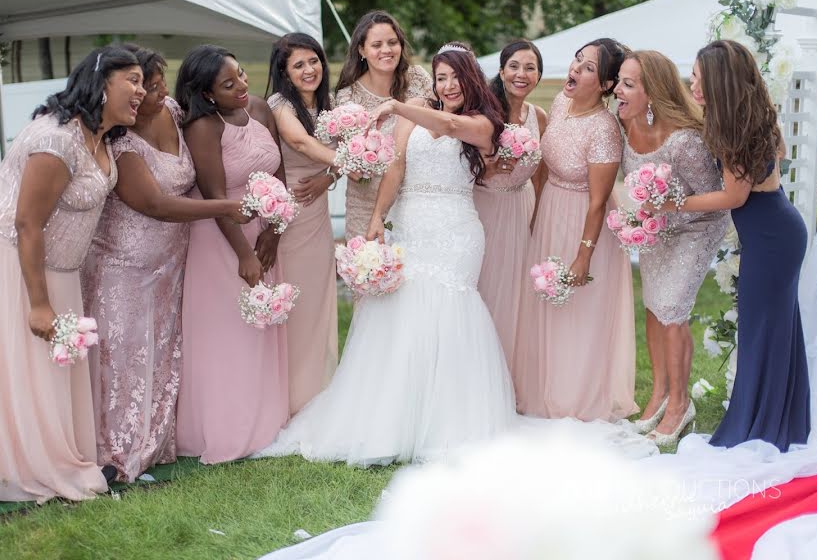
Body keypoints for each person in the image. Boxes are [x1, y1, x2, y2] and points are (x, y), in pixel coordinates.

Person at [257, 42, 518, 466]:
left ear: (470, 77)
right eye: (440, 76)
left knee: (451, 313)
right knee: (401, 315)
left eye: (455, 76)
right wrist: (378, 215)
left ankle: (448, 422)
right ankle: (391, 419)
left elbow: (451, 127)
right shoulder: (417, 107)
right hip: (410, 221)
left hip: (456, 228)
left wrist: (397, 106)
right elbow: (396, 165)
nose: (447, 84)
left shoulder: (484, 121)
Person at [0, 45, 146, 502]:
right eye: (132, 80)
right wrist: (39, 303)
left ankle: (62, 454)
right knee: (28, 357)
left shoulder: (100, 135)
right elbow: (26, 222)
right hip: (10, 252)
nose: (140, 90)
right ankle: (28, 466)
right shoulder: (57, 138)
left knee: (58, 363)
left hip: (59, 263)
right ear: (102, 84)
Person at [82, 45, 250, 481]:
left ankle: (152, 446)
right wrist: (223, 206)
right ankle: (115, 457)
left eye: (155, 84)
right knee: (122, 359)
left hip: (171, 262)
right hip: (122, 265)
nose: (153, 94)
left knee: (162, 352)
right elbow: (154, 203)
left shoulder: (175, 112)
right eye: (143, 86)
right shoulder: (118, 140)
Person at [656, 40, 810, 451]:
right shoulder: (755, 119)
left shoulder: (736, 131)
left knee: (763, 331)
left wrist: (674, 204)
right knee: (771, 330)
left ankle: (760, 426)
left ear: (721, 82)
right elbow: (774, 158)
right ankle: (776, 421)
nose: (693, 85)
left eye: (699, 78)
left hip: (772, 240)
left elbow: (733, 198)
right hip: (778, 231)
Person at [175, 45, 289, 464]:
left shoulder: (260, 109)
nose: (242, 86)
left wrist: (274, 232)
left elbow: (278, 174)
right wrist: (245, 254)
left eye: (241, 74)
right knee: (229, 332)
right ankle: (226, 429)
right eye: (228, 83)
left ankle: (265, 422)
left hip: (264, 228)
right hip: (221, 237)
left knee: (261, 328)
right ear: (206, 93)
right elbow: (214, 195)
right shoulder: (203, 127)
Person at [514, 38, 639, 421]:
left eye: (588, 68)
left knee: (578, 311)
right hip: (551, 210)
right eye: (577, 61)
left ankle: (575, 399)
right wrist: (536, 218)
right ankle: (542, 389)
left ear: (604, 84)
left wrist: (584, 254)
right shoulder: (560, 104)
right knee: (544, 306)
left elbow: (599, 201)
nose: (575, 69)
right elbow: (546, 167)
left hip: (585, 223)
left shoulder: (604, 130)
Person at [616, 50, 728, 444]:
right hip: (656, 230)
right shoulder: (622, 122)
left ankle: (681, 406)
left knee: (673, 309)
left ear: (654, 92)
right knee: (653, 309)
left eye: (629, 84)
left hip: (697, 228)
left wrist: (667, 207)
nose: (618, 90)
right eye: (619, 81)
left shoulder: (685, 142)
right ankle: (660, 395)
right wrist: (642, 218)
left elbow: (716, 200)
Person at [266, 33, 339, 415]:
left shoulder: (330, 104)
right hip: (290, 216)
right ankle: (289, 398)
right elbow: (300, 143)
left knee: (317, 300)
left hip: (319, 215)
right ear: (284, 72)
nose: (310, 70)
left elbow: (329, 160)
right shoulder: (279, 105)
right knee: (293, 302)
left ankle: (317, 392)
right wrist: (348, 162)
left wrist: (332, 174)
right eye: (299, 65)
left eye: (314, 61)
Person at [475, 39, 548, 372]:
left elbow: (541, 175)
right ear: (502, 71)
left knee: (516, 296)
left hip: (521, 208)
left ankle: (509, 372)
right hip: (484, 207)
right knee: (484, 288)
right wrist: (487, 167)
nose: (522, 74)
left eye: (530, 67)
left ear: (539, 75)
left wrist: (538, 219)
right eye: (515, 66)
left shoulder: (540, 117)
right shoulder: (481, 111)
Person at [334, 10, 433, 240]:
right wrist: (355, 166)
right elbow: (350, 163)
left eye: (392, 42)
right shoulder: (348, 98)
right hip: (366, 204)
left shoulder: (418, 79)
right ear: (362, 50)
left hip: (415, 199)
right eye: (377, 45)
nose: (386, 50)